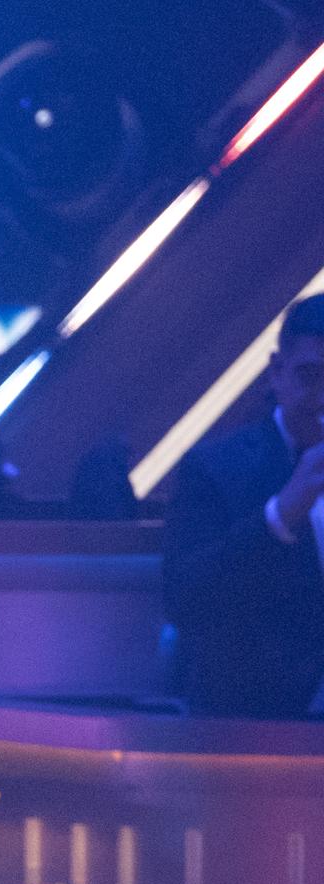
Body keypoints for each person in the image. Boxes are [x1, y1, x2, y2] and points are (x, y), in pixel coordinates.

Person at [163, 292, 324, 718]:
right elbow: (185, 601)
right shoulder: (214, 468)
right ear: (277, 373)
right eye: (312, 376)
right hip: (252, 720)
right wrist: (280, 516)